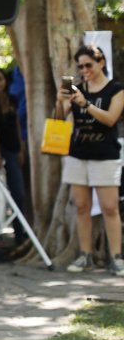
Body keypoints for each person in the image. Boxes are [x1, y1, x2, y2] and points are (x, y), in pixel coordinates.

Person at [56, 44, 124, 274]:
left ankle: (116, 256)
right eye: (81, 66)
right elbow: (58, 119)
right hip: (78, 154)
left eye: (89, 65)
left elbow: (111, 119)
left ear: (101, 63)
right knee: (82, 207)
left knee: (110, 207)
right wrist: (60, 101)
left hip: (105, 155)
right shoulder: (78, 89)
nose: (85, 70)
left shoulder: (116, 89)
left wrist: (86, 104)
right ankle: (85, 255)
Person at [0, 66, 27, 240]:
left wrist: (21, 149)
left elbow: (16, 125)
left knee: (18, 192)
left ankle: (20, 232)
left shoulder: (12, 99)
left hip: (12, 150)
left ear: (5, 80)